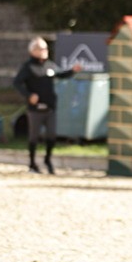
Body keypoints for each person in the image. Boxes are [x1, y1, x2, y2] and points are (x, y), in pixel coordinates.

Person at [12, 37, 79, 174]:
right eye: (42, 49)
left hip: (50, 107)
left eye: (46, 48)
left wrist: (73, 70)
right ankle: (32, 164)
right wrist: (29, 95)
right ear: (33, 51)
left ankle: (47, 160)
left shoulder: (49, 65)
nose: (45, 51)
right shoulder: (28, 67)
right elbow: (17, 83)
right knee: (34, 137)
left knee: (51, 136)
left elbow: (60, 74)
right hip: (35, 109)